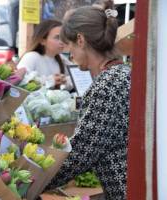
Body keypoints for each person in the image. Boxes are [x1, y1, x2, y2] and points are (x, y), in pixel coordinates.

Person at [46, 1, 131, 200]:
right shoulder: (123, 73)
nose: (69, 53)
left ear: (81, 40)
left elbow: (80, 154)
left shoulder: (106, 85)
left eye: (70, 45)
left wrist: (29, 182)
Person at [17, 19, 74, 91]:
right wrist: (49, 81)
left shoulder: (62, 59)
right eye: (57, 38)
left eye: (63, 38)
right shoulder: (31, 57)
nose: (62, 42)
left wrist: (64, 81)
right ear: (42, 40)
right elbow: (20, 83)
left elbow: (77, 77)